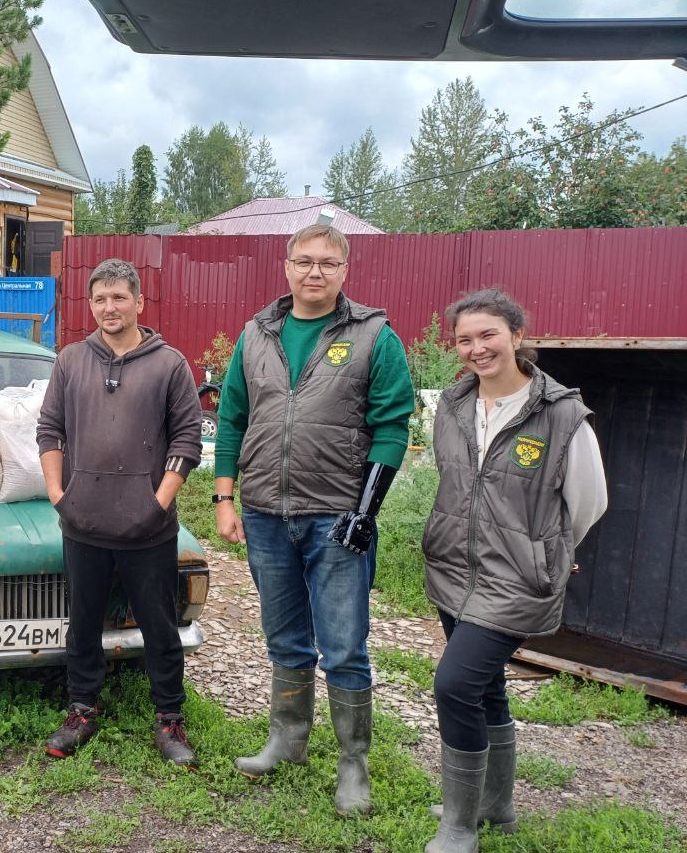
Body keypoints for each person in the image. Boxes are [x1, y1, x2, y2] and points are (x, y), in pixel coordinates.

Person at [214, 223, 414, 814]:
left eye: (327, 263)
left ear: (345, 270)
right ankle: (288, 740)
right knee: (284, 636)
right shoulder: (256, 335)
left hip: (336, 516)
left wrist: (365, 512)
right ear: (286, 267)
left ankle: (354, 764)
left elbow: (393, 426)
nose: (314, 272)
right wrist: (225, 498)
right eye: (304, 261)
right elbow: (231, 418)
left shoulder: (375, 337)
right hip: (267, 514)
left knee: (345, 645)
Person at [423, 289, 606, 853]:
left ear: (518, 336)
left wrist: (548, 551)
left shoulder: (560, 415)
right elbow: (453, 481)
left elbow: (590, 500)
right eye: (465, 339)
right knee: (487, 689)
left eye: (489, 335)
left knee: (454, 686)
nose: (477, 349)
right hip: (454, 568)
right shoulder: (452, 407)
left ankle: (458, 824)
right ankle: (495, 804)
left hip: (515, 581)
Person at [37, 258, 203, 766]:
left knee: (159, 624)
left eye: (119, 298)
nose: (110, 308)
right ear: (91, 304)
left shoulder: (169, 364)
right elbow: (50, 429)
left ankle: (169, 719)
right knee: (82, 622)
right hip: (82, 523)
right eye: (100, 299)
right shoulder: (69, 360)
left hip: (148, 529)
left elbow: (187, 438)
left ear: (138, 303)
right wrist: (58, 494)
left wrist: (158, 501)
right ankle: (82, 710)